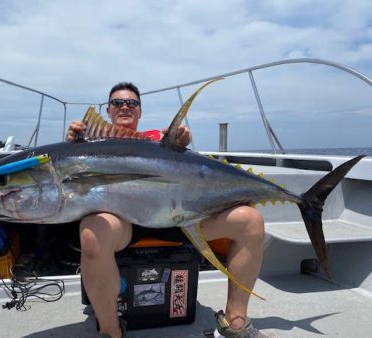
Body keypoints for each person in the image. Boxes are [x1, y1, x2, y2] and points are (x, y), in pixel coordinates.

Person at [66, 82, 266, 338]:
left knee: (250, 221)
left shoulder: (157, 140)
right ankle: (111, 332)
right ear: (108, 110)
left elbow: (186, 169)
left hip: (176, 218)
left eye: (132, 103)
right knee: (92, 233)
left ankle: (235, 323)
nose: (125, 106)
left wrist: (182, 142)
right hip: (123, 222)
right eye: (118, 102)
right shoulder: (89, 142)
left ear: (140, 111)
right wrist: (73, 144)